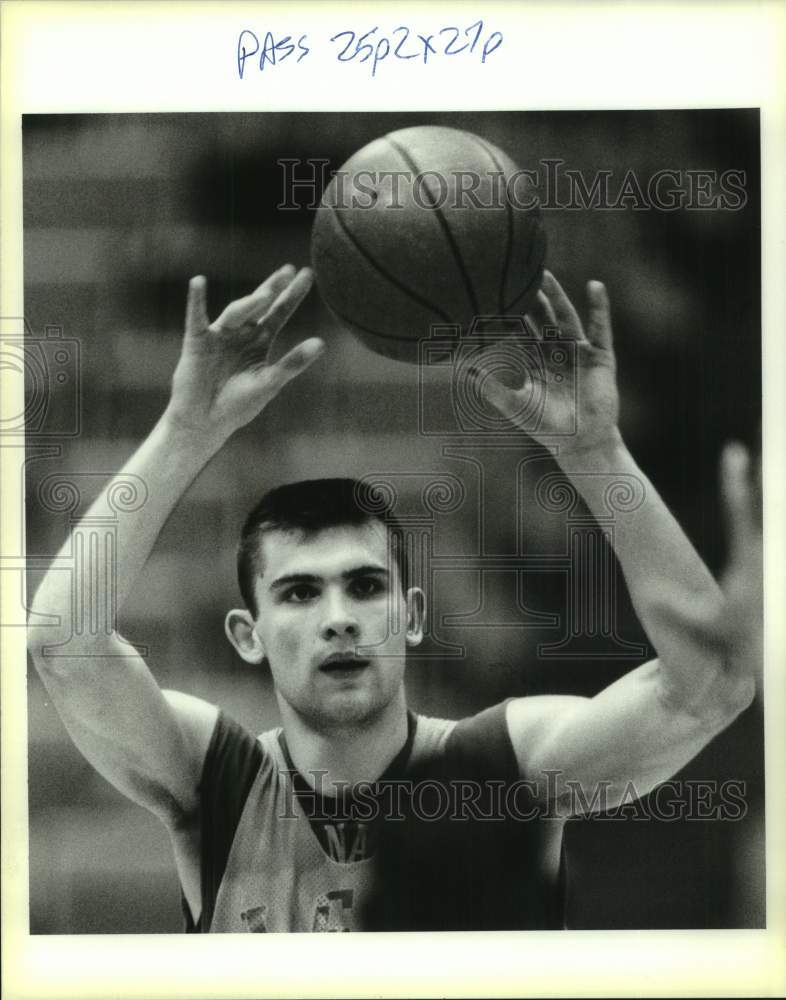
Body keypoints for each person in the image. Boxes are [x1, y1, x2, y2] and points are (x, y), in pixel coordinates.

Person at [27, 263, 760, 932]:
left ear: (410, 616)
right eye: (299, 593)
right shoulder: (217, 780)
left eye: (366, 586)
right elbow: (62, 646)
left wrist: (594, 452)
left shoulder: (499, 767)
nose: (339, 617)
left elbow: (709, 689)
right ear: (248, 635)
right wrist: (185, 431)